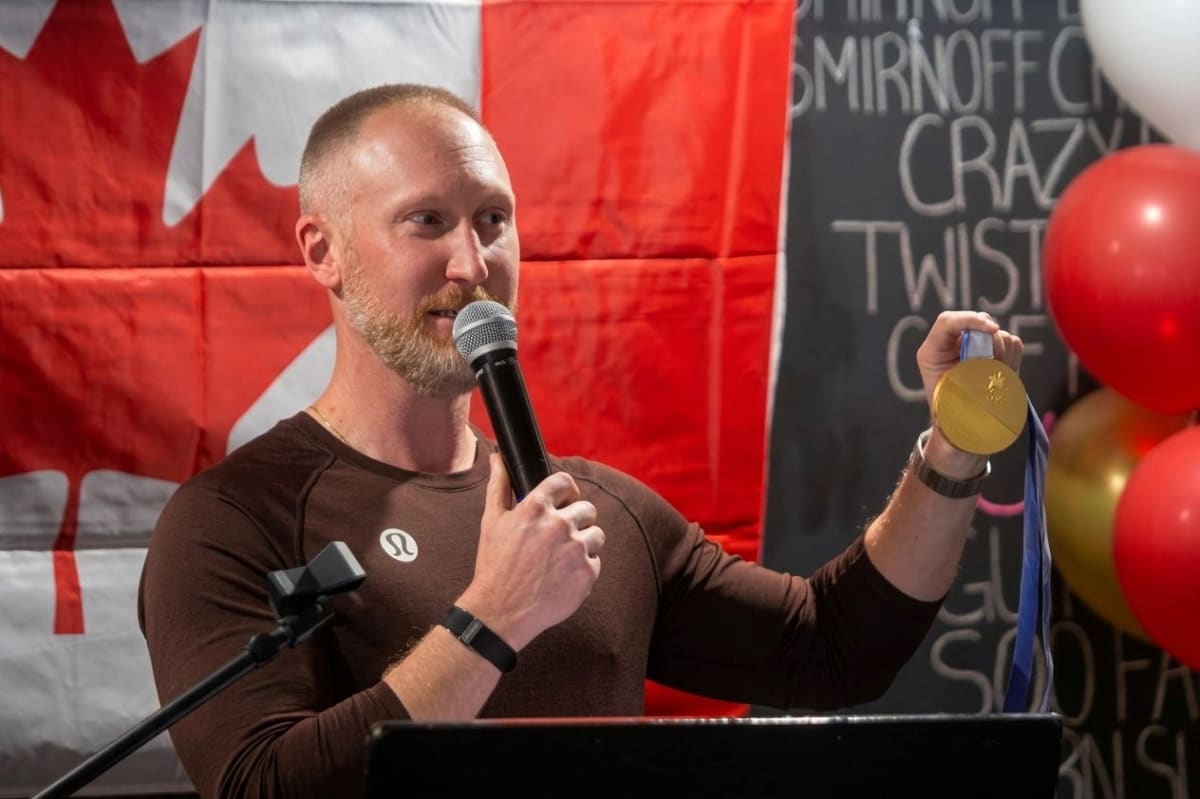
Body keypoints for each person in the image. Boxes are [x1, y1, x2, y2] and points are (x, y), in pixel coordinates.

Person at [138, 83, 1023, 799]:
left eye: (492, 219)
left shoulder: (595, 513)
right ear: (322, 250)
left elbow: (835, 646)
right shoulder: (229, 520)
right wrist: (493, 618)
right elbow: (262, 784)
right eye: (427, 222)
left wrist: (949, 451)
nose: (472, 265)